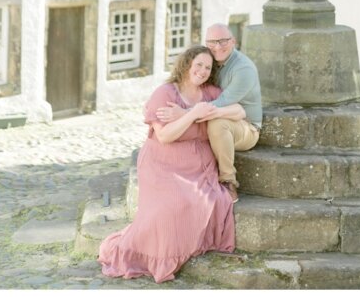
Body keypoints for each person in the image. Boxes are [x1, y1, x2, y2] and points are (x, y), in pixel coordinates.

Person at [98, 46, 242, 283]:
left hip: (198, 165)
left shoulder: (211, 93)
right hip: (162, 163)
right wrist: (192, 113)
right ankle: (149, 254)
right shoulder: (165, 93)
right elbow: (165, 136)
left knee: (206, 200)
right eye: (199, 65)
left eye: (208, 67)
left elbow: (238, 110)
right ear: (186, 65)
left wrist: (204, 113)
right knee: (170, 207)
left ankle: (182, 247)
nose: (203, 71)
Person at [156, 23, 262, 203]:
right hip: (215, 116)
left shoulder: (243, 70)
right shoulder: (210, 62)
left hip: (245, 126)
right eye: (212, 42)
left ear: (233, 41)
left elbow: (220, 105)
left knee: (217, 122)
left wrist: (184, 113)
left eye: (223, 41)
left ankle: (228, 180)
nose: (218, 46)